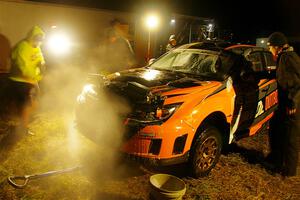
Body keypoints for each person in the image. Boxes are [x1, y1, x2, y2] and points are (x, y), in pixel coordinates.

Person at [267, 32, 300, 176]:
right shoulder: (283, 57)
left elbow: (296, 83)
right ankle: (276, 159)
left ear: (277, 47)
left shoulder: (289, 58)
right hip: (285, 102)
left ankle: (289, 170)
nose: (269, 50)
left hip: (292, 105)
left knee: (290, 137)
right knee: (276, 129)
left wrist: (292, 103)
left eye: (270, 47)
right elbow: (281, 76)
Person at [8, 26, 46, 135]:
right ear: (31, 37)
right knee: (26, 105)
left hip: (31, 80)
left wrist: (42, 63)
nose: (38, 43)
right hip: (19, 81)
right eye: (37, 40)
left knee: (35, 102)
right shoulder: (22, 47)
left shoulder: (36, 46)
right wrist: (38, 77)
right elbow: (24, 69)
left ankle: (23, 118)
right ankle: (23, 128)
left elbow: (40, 57)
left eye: (40, 40)